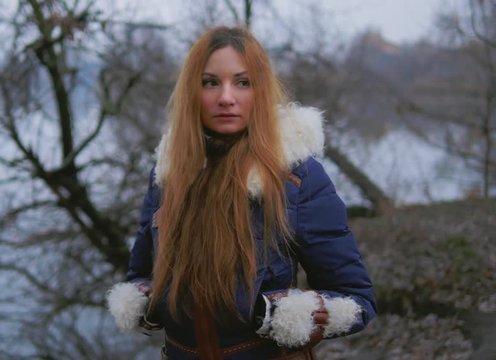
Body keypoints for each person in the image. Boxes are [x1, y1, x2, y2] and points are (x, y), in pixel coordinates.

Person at [106, 26, 376, 360]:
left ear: (260, 90)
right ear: (193, 91)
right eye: (210, 82)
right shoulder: (168, 174)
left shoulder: (295, 177)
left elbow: (356, 300)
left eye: (242, 82)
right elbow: (141, 274)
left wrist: (281, 315)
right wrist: (148, 301)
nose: (226, 97)